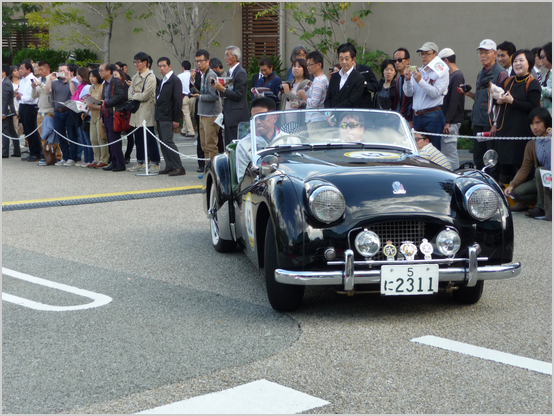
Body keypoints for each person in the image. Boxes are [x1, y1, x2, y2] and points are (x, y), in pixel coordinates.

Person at [490, 49, 541, 186]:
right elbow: (496, 99)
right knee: (504, 164)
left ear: (529, 64)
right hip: (505, 130)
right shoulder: (508, 81)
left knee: (521, 165)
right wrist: (498, 100)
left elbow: (534, 107)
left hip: (522, 131)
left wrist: (513, 101)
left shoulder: (533, 83)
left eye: (521, 61)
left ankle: (521, 198)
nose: (517, 64)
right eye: (515, 61)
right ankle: (503, 194)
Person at [464, 39, 508, 174]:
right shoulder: (480, 73)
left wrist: (496, 123)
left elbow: (502, 101)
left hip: (490, 123)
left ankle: (492, 189)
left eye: (486, 52)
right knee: (478, 157)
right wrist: (468, 93)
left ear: (494, 54)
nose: (482, 55)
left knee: (491, 159)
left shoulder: (501, 73)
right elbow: (480, 97)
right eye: (480, 53)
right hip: (478, 120)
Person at [504, 107, 552, 220]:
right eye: (531, 124)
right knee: (515, 193)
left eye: (538, 122)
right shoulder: (531, 144)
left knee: (540, 170)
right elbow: (525, 168)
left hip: (549, 178)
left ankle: (541, 208)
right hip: (543, 182)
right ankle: (545, 201)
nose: (534, 127)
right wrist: (512, 184)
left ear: (547, 122)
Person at [403, 41, 449, 151]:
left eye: (427, 54)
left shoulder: (442, 71)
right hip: (417, 115)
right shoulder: (420, 70)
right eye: (422, 54)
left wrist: (420, 81)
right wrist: (408, 80)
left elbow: (435, 93)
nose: (424, 56)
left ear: (435, 54)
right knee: (416, 148)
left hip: (432, 115)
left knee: (434, 149)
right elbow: (409, 93)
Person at [236, 96, 283, 183]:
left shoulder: (291, 141)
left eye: (261, 117)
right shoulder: (244, 145)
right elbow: (242, 181)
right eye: (254, 118)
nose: (257, 122)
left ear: (275, 118)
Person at [128, 51, 160, 173]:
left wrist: (135, 94)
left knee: (150, 138)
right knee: (139, 138)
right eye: (135, 62)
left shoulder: (150, 77)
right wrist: (136, 94)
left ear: (145, 63)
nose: (136, 64)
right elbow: (129, 94)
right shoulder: (135, 76)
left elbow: (145, 96)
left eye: (138, 62)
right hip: (136, 112)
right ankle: (140, 161)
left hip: (146, 112)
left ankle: (155, 162)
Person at [191, 49, 221, 176]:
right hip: (203, 114)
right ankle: (209, 170)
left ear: (208, 61)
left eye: (201, 61)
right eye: (197, 61)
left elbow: (214, 96)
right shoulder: (203, 75)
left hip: (211, 115)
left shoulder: (211, 75)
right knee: (204, 145)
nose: (199, 64)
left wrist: (199, 96)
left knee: (211, 145)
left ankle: (214, 172)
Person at [213, 45, 250, 146]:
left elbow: (239, 95)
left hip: (237, 116)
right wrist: (219, 88)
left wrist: (223, 89)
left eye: (227, 55)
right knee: (229, 145)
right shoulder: (230, 71)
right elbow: (229, 91)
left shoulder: (241, 73)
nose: (225, 58)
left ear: (235, 57)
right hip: (229, 114)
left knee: (235, 145)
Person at [44, 63, 80, 166]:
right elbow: (47, 91)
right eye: (60, 71)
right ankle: (65, 157)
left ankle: (73, 158)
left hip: (68, 111)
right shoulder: (55, 82)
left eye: (64, 70)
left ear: (69, 72)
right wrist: (50, 79)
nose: (62, 73)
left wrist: (69, 80)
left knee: (72, 135)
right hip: (57, 111)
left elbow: (74, 93)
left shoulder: (73, 82)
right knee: (61, 135)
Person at [155, 57, 185, 176]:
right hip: (160, 115)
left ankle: (179, 166)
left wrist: (176, 118)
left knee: (168, 141)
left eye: (164, 66)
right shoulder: (163, 80)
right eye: (160, 66)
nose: (162, 68)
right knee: (163, 141)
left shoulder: (174, 80)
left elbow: (178, 100)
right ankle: (169, 165)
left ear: (169, 66)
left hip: (168, 115)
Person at [438, 47, 465, 170]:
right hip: (448, 120)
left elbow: (455, 101)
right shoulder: (451, 75)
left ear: (446, 60)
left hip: (452, 122)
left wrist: (447, 121)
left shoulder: (457, 76)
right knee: (445, 153)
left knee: (450, 153)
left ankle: (455, 176)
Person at [99, 63, 127, 172]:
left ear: (108, 71)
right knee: (110, 139)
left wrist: (108, 103)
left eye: (102, 70)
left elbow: (121, 96)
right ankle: (114, 162)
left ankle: (120, 163)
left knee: (115, 139)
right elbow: (103, 100)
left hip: (114, 114)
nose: (100, 72)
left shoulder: (116, 82)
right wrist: (102, 115)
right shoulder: (104, 83)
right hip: (106, 114)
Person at [324, 42, 365, 109]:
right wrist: (328, 113)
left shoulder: (359, 78)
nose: (344, 62)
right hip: (331, 116)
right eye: (341, 59)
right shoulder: (334, 76)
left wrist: (334, 111)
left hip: (348, 117)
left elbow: (352, 101)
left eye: (347, 59)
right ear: (338, 60)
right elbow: (328, 97)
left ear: (353, 60)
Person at [15, 61, 42, 162]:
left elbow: (33, 97)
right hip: (23, 106)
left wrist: (21, 97)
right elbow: (21, 94)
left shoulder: (32, 79)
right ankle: (32, 151)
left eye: (22, 68)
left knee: (32, 130)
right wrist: (18, 96)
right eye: (20, 69)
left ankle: (37, 152)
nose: (20, 70)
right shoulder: (22, 80)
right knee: (27, 131)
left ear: (28, 69)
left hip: (30, 107)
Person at [297, 50, 329, 134]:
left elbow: (314, 104)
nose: (307, 67)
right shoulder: (323, 78)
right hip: (320, 119)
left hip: (316, 120)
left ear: (319, 65)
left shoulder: (318, 81)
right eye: (307, 65)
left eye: (310, 64)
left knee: (315, 143)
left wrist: (303, 96)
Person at [70, 67, 94, 167]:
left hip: (86, 114)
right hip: (79, 113)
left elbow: (86, 100)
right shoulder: (80, 87)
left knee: (87, 139)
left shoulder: (87, 87)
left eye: (79, 74)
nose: (77, 76)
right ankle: (87, 159)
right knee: (83, 139)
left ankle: (90, 159)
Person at [85, 69, 109, 168]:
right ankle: (96, 159)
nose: (91, 79)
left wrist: (93, 106)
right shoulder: (91, 88)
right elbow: (90, 102)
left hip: (100, 115)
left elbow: (104, 105)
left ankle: (104, 159)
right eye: (90, 76)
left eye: (93, 76)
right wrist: (86, 111)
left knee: (101, 138)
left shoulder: (103, 87)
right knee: (93, 139)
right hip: (92, 115)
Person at [392, 48, 414, 127]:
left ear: (408, 60)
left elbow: (414, 99)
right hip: (399, 118)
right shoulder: (398, 79)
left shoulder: (413, 76)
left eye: (400, 60)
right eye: (395, 61)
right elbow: (397, 102)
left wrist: (411, 119)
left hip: (409, 120)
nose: (397, 63)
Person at [2, 64, 19, 158]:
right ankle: (17, 151)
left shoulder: (5, 83)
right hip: (8, 109)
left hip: (6, 110)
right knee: (12, 131)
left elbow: (4, 99)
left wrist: (3, 113)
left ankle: (4, 152)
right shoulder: (5, 82)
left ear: (3, 73)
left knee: (5, 131)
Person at [177, 60, 196, 138]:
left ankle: (191, 131)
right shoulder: (192, 75)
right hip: (193, 96)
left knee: (186, 114)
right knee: (189, 114)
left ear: (183, 67)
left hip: (184, 96)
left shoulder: (179, 76)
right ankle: (183, 130)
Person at [540, 42, 552, 115]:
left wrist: (539, 88)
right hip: (547, 115)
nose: (541, 60)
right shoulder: (547, 74)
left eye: (542, 57)